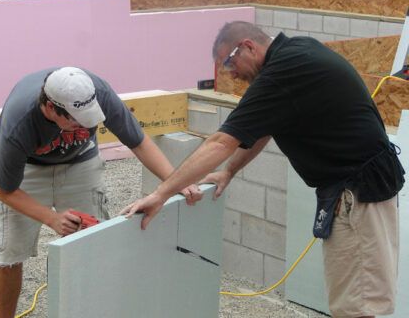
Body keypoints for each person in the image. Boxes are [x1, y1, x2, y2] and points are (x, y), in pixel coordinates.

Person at [121, 21, 405, 318]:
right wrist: (229, 172)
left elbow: (221, 141)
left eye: (230, 61)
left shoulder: (283, 72)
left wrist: (161, 193)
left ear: (248, 46)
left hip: (359, 194)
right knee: (352, 300)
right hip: (354, 189)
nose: (231, 72)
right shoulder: (295, 51)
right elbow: (261, 128)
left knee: (356, 307)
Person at [0, 66, 201, 318]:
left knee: (95, 243)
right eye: (76, 119)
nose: (85, 124)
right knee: (9, 253)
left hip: (81, 162)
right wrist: (51, 218)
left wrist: (176, 181)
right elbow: (5, 190)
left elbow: (138, 141)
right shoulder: (19, 122)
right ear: (50, 108)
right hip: (30, 169)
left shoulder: (96, 91)